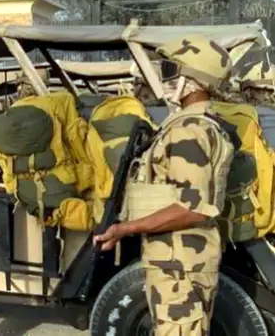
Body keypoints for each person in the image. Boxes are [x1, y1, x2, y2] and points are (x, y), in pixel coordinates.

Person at [94, 35, 235, 335]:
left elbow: (192, 208)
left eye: (171, 70)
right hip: (178, 261)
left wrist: (125, 229)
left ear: (194, 81)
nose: (165, 79)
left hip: (179, 266)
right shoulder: (196, 123)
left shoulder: (189, 131)